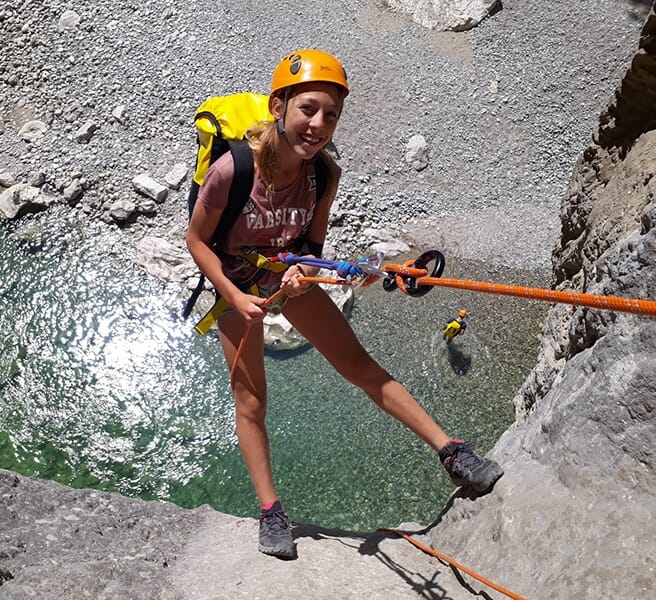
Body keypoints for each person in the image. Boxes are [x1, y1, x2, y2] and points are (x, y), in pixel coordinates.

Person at [186, 49, 503, 559]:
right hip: (237, 286)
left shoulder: (322, 176)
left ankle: (453, 452)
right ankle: (271, 512)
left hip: (286, 281)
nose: (318, 124)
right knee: (251, 402)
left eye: (330, 115)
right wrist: (233, 295)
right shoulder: (233, 170)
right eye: (308, 109)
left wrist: (303, 273)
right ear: (278, 107)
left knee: (360, 365)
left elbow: (311, 247)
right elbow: (197, 241)